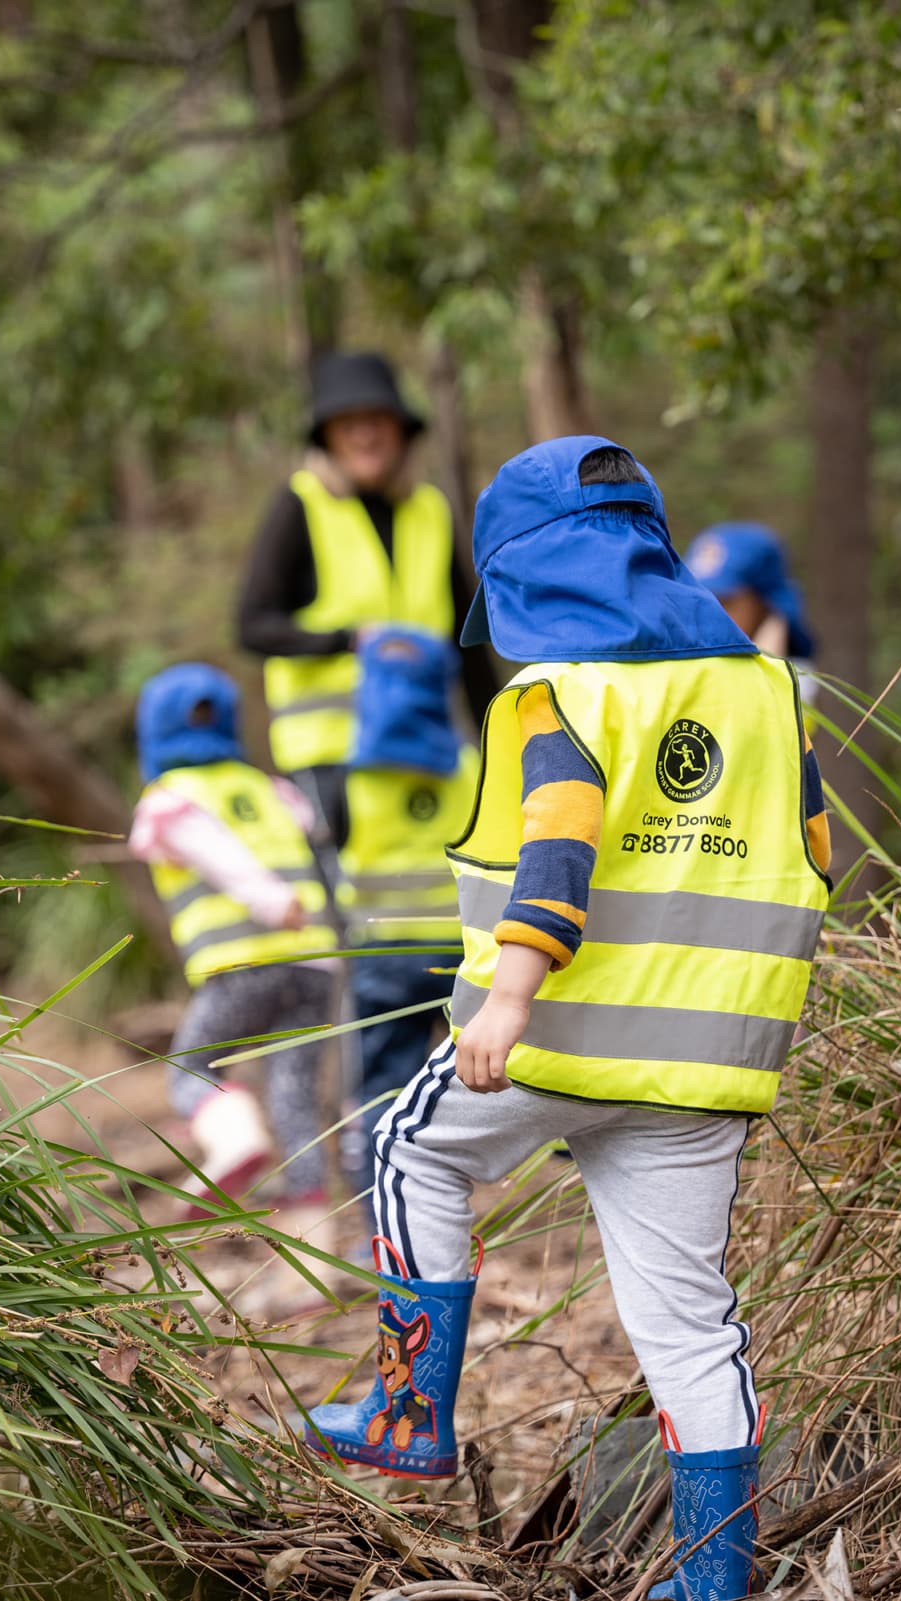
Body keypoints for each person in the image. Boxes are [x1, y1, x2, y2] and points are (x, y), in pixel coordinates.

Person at [304, 439, 833, 1601]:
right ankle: (710, 1583)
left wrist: (507, 996)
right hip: (710, 1067)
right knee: (691, 1326)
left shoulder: (561, 692)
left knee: (408, 1150)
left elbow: (560, 844)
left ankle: (405, 1410)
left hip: (552, 1039)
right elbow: (815, 855)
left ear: (526, 578)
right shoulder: (765, 691)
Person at [235, 351, 499, 845]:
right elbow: (252, 626)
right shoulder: (299, 505)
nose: (366, 435)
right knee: (349, 913)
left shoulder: (431, 511)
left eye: (378, 420)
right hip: (333, 762)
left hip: (428, 752)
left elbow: (470, 645)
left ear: (401, 431)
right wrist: (347, 640)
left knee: (431, 905)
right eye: (348, 424)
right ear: (327, 437)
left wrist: (504, 746)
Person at [129, 663, 340, 1211]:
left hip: (246, 963)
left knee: (189, 1068)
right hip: (316, 963)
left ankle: (236, 1141)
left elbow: (219, 855)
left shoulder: (170, 798)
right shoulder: (271, 790)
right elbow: (313, 844)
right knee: (294, 1098)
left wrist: (271, 902)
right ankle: (306, 1256)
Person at [333, 626, 478, 1223]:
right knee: (472, 1085)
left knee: (383, 1092)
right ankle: (452, 1202)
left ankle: (385, 1226)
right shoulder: (470, 767)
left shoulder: (346, 777)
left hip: (382, 955)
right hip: (458, 952)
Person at [686, 521, 818, 693]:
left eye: (724, 601)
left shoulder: (798, 680)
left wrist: (769, 662)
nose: (708, 613)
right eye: (700, 600)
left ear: (765, 603)